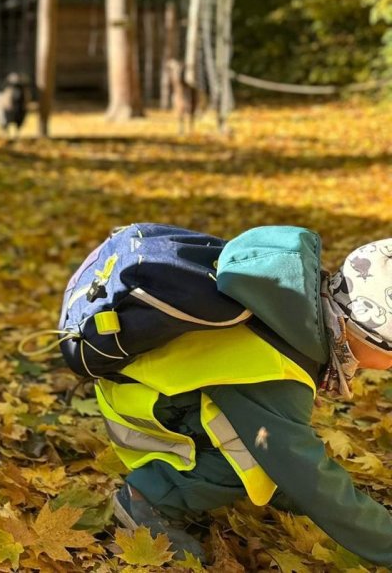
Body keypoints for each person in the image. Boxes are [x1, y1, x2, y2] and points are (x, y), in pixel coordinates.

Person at [96, 228, 392, 565]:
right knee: (263, 453)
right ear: (367, 334)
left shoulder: (291, 314)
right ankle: (148, 496)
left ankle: (258, 481)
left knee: (275, 444)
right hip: (140, 413)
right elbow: (304, 471)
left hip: (146, 391)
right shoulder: (275, 370)